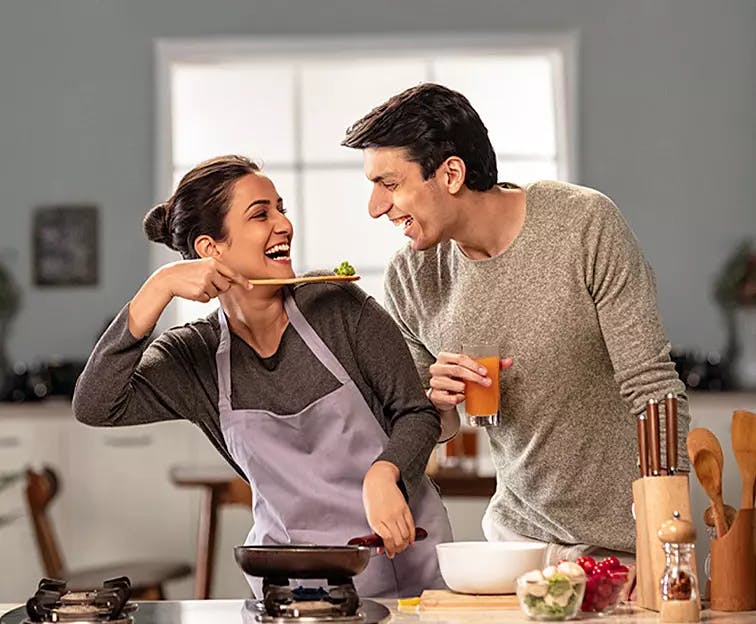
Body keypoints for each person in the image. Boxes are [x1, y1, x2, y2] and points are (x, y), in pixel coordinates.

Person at [72, 155, 452, 598]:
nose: (284, 225)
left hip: (408, 561)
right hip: (296, 585)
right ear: (210, 250)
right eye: (261, 214)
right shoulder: (193, 356)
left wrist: (385, 474)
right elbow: (95, 405)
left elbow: (416, 412)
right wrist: (158, 286)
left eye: (281, 209)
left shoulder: (338, 307)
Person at [341, 83, 689, 564]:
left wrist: (666, 543)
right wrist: (437, 399)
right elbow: (431, 424)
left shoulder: (582, 223)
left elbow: (653, 388)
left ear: (451, 174)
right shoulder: (411, 276)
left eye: (390, 184)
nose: (376, 207)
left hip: (627, 547)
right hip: (515, 545)